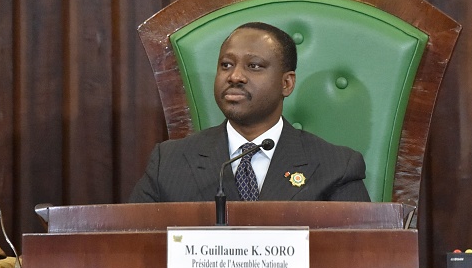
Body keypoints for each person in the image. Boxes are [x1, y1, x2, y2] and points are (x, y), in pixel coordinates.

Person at [129, 22, 370, 203]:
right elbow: (133, 249)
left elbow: (358, 257)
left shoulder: (337, 167)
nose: (235, 76)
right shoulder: (169, 162)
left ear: (286, 83)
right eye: (226, 65)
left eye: (254, 66)